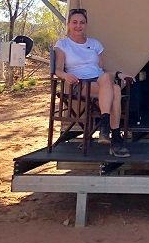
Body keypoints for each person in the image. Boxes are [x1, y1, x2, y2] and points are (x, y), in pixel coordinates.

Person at [54, 8, 131, 157]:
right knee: (114, 89)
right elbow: (57, 70)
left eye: (82, 22)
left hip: (100, 82)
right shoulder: (63, 44)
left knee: (111, 85)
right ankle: (114, 137)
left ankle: (105, 127)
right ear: (68, 24)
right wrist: (65, 75)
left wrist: (118, 74)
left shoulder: (95, 44)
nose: (78, 26)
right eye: (74, 22)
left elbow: (101, 69)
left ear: (86, 25)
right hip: (80, 84)